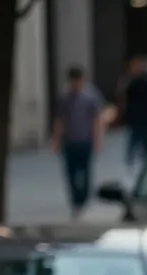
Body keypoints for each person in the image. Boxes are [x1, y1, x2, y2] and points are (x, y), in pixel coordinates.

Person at [53, 66, 105, 219]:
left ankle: (83, 199)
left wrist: (98, 140)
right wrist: (56, 141)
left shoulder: (90, 97)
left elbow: (97, 119)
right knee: (70, 172)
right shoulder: (65, 98)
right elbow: (59, 120)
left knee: (85, 171)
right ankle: (75, 200)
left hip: (85, 140)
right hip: (69, 141)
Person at [120, 56, 147, 178]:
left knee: (145, 143)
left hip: (145, 118)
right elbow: (125, 100)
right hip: (135, 118)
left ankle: (146, 163)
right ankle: (131, 162)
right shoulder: (130, 82)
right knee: (133, 141)